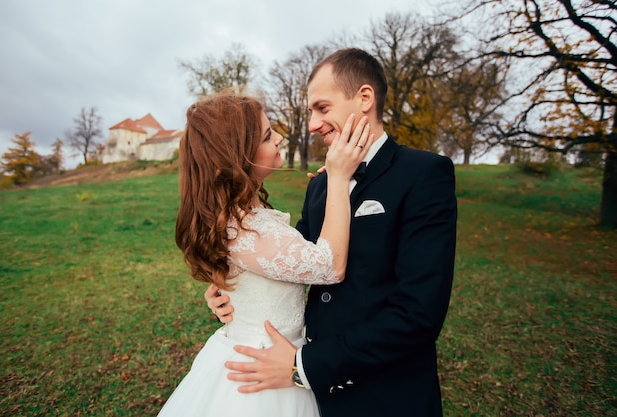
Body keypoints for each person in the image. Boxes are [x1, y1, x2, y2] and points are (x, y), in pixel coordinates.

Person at [206, 48, 457, 416]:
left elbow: (418, 314)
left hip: (386, 396)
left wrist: (303, 366)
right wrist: (234, 291)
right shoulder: (321, 186)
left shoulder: (424, 174)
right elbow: (296, 266)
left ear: (364, 98)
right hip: (316, 401)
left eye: (322, 108)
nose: (311, 124)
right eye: (311, 111)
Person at [156, 94, 373, 417]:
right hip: (263, 375)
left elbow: (284, 257)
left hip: (273, 356)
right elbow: (329, 265)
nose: (280, 138)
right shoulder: (247, 228)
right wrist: (340, 179)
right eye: (268, 136)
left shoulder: (246, 217)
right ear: (238, 155)